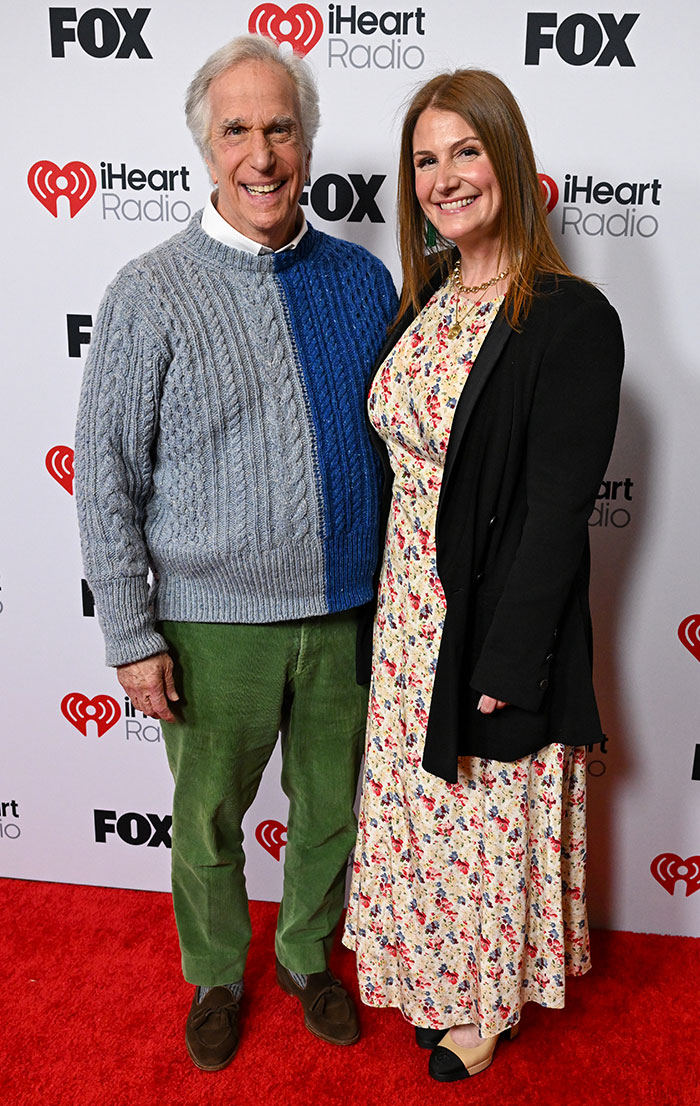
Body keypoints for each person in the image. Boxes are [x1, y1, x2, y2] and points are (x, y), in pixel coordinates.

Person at [74, 34, 397, 1072]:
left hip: (348, 608)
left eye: (279, 127)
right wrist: (131, 633)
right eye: (236, 130)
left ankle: (307, 953)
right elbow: (105, 472)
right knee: (207, 818)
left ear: (303, 140)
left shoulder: (359, 278)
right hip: (212, 623)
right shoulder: (150, 288)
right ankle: (217, 972)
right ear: (204, 150)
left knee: (331, 806)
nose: (261, 153)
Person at [343, 69, 624, 1082]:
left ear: (509, 157)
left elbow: (556, 508)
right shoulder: (421, 303)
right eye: (425, 158)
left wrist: (509, 654)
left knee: (482, 809)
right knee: (425, 813)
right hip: (407, 609)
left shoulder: (566, 316)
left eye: (465, 150)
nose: (444, 175)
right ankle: (434, 973)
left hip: (487, 617)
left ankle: (482, 1003)